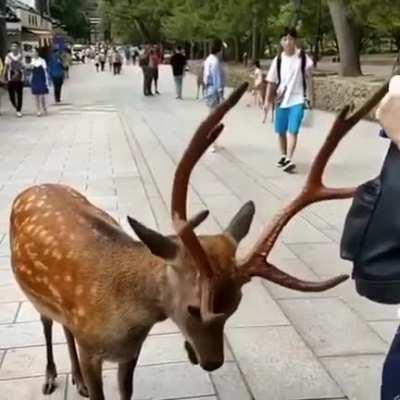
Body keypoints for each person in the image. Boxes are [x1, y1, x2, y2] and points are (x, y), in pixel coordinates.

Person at [263, 27, 313, 173]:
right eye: (285, 39)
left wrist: (311, 97)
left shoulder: (303, 58)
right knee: (281, 130)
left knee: (293, 130)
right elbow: (271, 81)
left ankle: (290, 159)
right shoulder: (278, 60)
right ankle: (284, 156)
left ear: (295, 41)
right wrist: (267, 101)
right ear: (281, 42)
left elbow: (310, 79)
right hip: (281, 99)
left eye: (291, 39)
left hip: (297, 99)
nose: (288, 42)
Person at [203, 39, 225, 152]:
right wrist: (221, 94)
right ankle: (211, 142)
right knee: (213, 118)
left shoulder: (208, 59)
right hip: (214, 91)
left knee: (213, 117)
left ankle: (214, 142)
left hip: (208, 89)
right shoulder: (215, 62)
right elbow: (217, 79)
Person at [4, 42, 25, 117]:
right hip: (11, 78)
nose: (14, 47)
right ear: (11, 48)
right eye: (12, 46)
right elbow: (6, 67)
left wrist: (24, 77)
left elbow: (23, 67)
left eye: (15, 46)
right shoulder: (8, 56)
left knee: (20, 95)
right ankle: (16, 106)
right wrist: (4, 76)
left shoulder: (21, 56)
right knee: (11, 96)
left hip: (19, 78)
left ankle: (19, 110)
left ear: (18, 48)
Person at [30, 48, 49, 116]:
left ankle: (44, 107)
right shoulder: (32, 61)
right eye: (32, 52)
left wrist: (47, 80)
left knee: (42, 96)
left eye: (34, 52)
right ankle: (38, 110)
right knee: (36, 96)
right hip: (35, 79)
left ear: (37, 53)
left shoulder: (42, 60)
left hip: (41, 78)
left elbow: (45, 71)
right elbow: (31, 71)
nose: (32, 53)